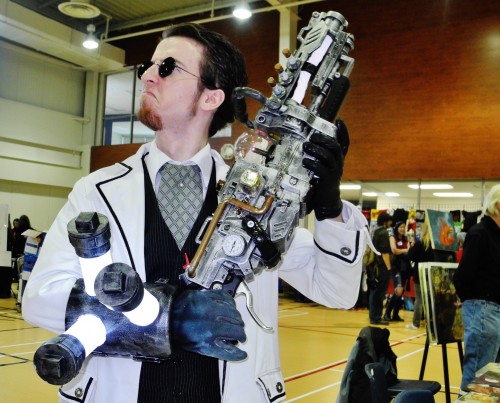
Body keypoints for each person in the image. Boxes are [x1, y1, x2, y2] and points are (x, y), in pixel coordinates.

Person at [22, 23, 369, 403]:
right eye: (148, 66)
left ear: (211, 97)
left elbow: (336, 291)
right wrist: (165, 317)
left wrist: (331, 209)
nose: (148, 76)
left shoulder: (260, 198)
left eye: (167, 67)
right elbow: (40, 297)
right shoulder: (95, 190)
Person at [453, 184, 500, 394]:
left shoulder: (494, 235)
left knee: (489, 381)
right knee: (478, 379)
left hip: (492, 310)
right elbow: (463, 276)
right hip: (483, 309)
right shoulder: (480, 233)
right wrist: (471, 302)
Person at [405, 213, 455, 330]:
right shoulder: (441, 244)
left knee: (419, 299)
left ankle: (416, 323)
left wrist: (411, 247)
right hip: (435, 275)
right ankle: (433, 322)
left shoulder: (421, 243)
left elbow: (410, 256)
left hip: (421, 274)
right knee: (433, 299)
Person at [368, 212, 393, 325]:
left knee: (374, 292)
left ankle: (373, 316)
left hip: (374, 266)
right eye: (389, 221)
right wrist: (389, 268)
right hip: (382, 267)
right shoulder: (383, 233)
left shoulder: (375, 232)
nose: (390, 223)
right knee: (379, 293)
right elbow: (385, 252)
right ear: (385, 222)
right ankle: (376, 317)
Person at [383, 221, 409, 322]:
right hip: (396, 267)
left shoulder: (406, 239)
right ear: (396, 228)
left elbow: (410, 249)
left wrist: (404, 250)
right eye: (400, 227)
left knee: (401, 292)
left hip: (405, 267)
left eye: (404, 227)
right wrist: (405, 250)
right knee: (398, 290)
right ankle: (386, 314)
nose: (402, 229)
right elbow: (394, 250)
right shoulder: (392, 237)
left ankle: (395, 315)